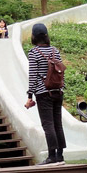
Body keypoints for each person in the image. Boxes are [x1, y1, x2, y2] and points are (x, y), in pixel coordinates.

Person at [24, 23, 65, 165]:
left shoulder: (34, 52)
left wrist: (30, 95)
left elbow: (33, 76)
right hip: (58, 91)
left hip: (43, 93)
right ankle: (60, 155)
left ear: (34, 36)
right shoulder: (55, 51)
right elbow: (60, 72)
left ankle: (51, 156)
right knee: (57, 124)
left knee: (48, 124)